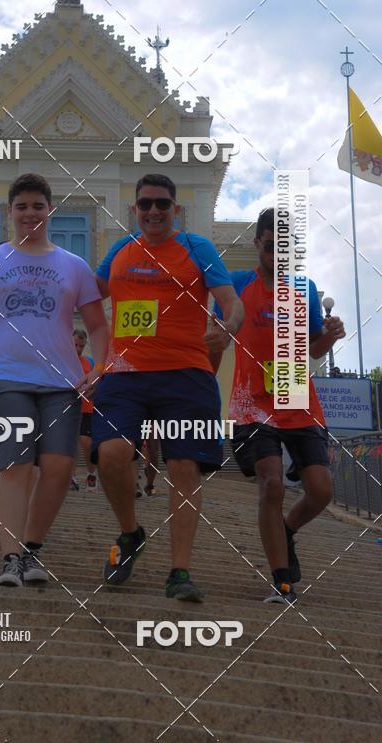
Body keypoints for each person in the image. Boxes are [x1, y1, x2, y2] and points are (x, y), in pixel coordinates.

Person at [0, 173, 109, 588]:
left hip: (62, 382)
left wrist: (98, 369)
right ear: (10, 212)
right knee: (16, 465)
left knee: (58, 466)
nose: (30, 213)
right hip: (3, 377)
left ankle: (31, 549)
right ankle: (9, 558)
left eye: (38, 205)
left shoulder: (73, 267)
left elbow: (97, 325)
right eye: (21, 206)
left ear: (49, 210)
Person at [92, 174, 244, 602]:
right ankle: (130, 533)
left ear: (175, 209)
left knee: (182, 466)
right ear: (134, 210)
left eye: (162, 204)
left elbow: (232, 303)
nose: (153, 211)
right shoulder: (121, 250)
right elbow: (85, 296)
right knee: (111, 453)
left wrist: (227, 326)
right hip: (124, 374)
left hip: (186, 373)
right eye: (145, 205)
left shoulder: (197, 248)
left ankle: (180, 571)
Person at [211, 207, 345, 605]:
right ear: (258, 244)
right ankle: (281, 580)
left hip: (298, 400)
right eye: (271, 246)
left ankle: (286, 530)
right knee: (271, 482)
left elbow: (312, 349)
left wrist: (331, 337)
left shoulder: (304, 290)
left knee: (320, 491)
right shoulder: (236, 285)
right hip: (251, 403)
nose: (277, 254)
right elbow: (221, 331)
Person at [73, 328, 95, 490]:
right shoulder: (62, 361)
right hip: (69, 407)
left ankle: (91, 473)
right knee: (70, 444)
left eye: (81, 346)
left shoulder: (90, 362)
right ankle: (72, 477)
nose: (78, 349)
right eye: (75, 345)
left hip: (87, 408)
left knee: (86, 442)